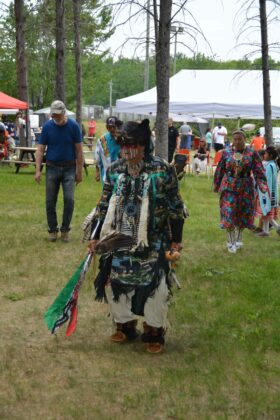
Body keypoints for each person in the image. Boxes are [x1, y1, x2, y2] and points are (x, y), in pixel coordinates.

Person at [87, 119, 185, 354]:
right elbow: (103, 205)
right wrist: (95, 235)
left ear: (143, 145)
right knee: (116, 281)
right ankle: (125, 323)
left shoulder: (162, 170)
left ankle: (154, 329)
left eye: (130, 145)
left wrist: (176, 240)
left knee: (155, 284)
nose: (125, 151)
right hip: (120, 237)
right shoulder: (115, 170)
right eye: (122, 145)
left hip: (154, 239)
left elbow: (175, 206)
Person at [35, 100, 84, 242]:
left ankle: (65, 230)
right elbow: (40, 149)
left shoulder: (74, 126)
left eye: (56, 114)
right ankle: (52, 230)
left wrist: (79, 172)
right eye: (52, 114)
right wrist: (38, 170)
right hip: (51, 167)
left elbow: (79, 151)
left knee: (69, 199)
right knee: (50, 201)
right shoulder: (47, 127)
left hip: (69, 168)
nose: (54, 116)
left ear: (63, 112)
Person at [213, 130, 268, 253]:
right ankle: (230, 241)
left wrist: (262, 185)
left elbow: (259, 171)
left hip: (245, 187)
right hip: (229, 186)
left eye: (240, 139)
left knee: (243, 213)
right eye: (235, 139)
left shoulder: (251, 153)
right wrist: (217, 185)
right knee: (229, 212)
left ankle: (238, 238)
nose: (237, 142)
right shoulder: (227, 153)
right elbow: (220, 169)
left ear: (244, 140)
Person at [255, 146, 280, 237]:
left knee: (266, 211)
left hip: (267, 193)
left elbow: (268, 181)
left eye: (265, 154)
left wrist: (264, 191)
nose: (264, 155)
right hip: (269, 192)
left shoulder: (270, 166)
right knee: (265, 212)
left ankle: (277, 227)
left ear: (270, 155)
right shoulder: (273, 164)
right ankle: (265, 231)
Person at [94, 116, 122, 185]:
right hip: (106, 175)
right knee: (107, 194)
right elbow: (97, 156)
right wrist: (97, 171)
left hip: (121, 175)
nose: (112, 129)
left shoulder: (123, 139)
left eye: (114, 127)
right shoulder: (102, 140)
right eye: (109, 127)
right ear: (107, 127)